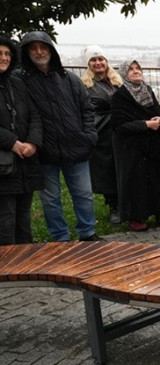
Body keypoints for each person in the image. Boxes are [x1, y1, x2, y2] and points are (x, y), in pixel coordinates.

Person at [17, 31, 101, 242]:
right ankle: (60, 238)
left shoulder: (69, 79)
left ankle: (87, 232)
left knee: (83, 194)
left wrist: (89, 136)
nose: (38, 52)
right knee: (51, 199)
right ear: (27, 52)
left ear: (51, 50)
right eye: (33, 48)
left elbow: (86, 109)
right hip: (44, 151)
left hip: (76, 146)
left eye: (43, 47)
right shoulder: (21, 81)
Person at [110, 60, 160, 231]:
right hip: (132, 147)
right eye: (131, 69)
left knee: (157, 179)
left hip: (152, 145)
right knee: (136, 183)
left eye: (137, 68)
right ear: (124, 73)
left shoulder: (147, 90)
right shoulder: (120, 96)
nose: (135, 71)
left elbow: (157, 111)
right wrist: (145, 124)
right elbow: (119, 124)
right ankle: (136, 216)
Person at [0, 36, 42, 245]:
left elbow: (34, 114)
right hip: (4, 162)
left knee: (24, 215)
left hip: (26, 161)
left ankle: (26, 259)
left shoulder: (17, 81)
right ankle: (7, 265)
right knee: (5, 218)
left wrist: (33, 142)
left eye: (7, 53)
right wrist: (12, 142)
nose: (4, 58)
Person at [80, 46, 122, 225]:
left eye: (101, 59)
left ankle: (126, 203)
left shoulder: (117, 82)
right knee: (106, 171)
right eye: (93, 60)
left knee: (121, 168)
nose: (98, 63)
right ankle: (113, 206)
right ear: (88, 64)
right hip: (101, 133)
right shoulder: (85, 85)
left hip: (120, 133)